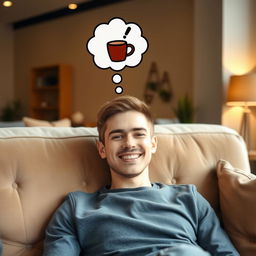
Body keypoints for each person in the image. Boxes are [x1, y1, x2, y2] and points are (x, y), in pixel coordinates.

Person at [43, 95, 239, 256]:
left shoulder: (189, 199)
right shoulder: (76, 207)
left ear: (153, 144)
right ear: (102, 149)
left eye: (139, 134)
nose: (129, 143)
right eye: (118, 136)